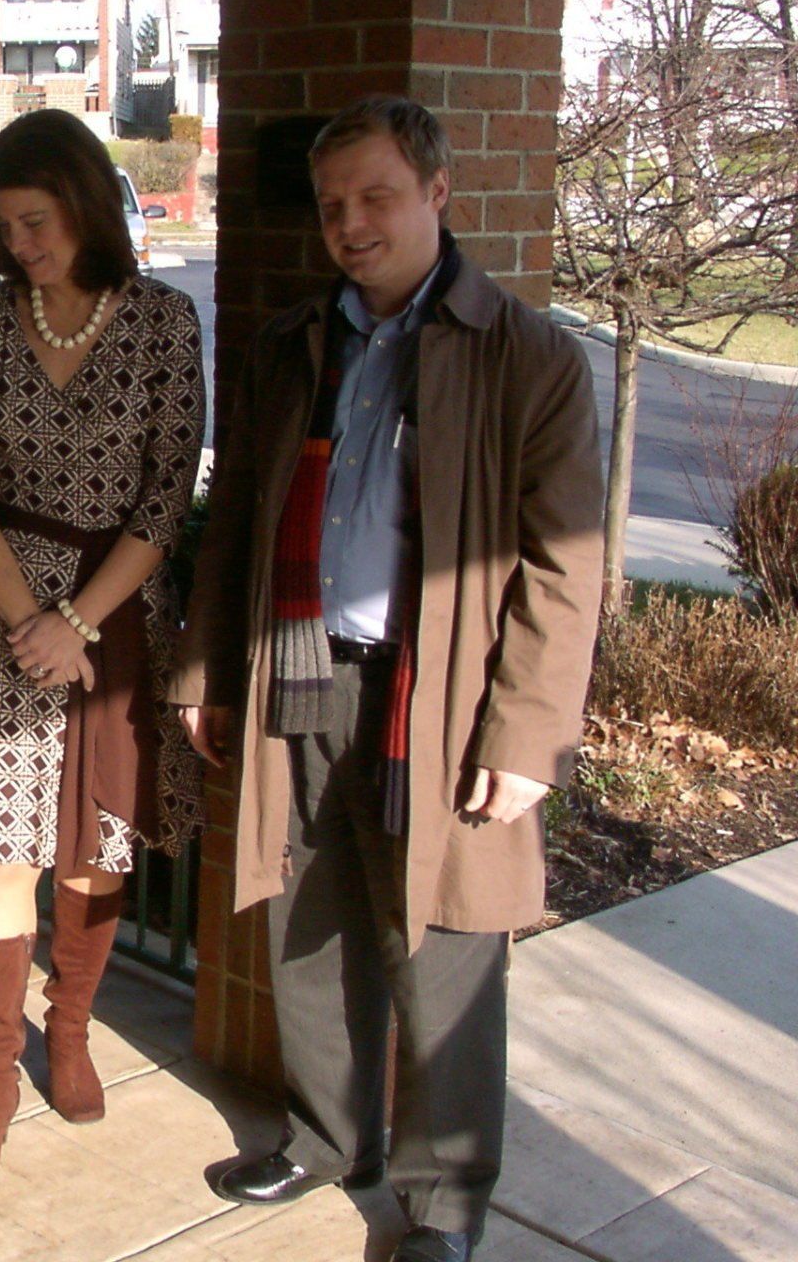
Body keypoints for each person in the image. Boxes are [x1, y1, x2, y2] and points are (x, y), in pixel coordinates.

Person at [168, 96, 603, 1262]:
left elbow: (567, 569)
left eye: (376, 198)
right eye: (331, 206)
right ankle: (323, 1137)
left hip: (444, 702)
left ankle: (444, 1203)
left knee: (446, 949)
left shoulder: (528, 356)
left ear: (438, 193)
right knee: (308, 924)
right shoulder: (290, 345)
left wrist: (525, 735)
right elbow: (236, 530)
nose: (351, 225)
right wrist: (208, 670)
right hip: (301, 675)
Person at [0, 106, 205, 1194]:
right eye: (3, 227)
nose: (18, 245)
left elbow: (166, 496)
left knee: (95, 845)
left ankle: (68, 1030)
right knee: (3, 856)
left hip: (116, 612)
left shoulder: (166, 322)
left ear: (83, 204)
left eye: (34, 222)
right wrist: (28, 621)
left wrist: (76, 622)